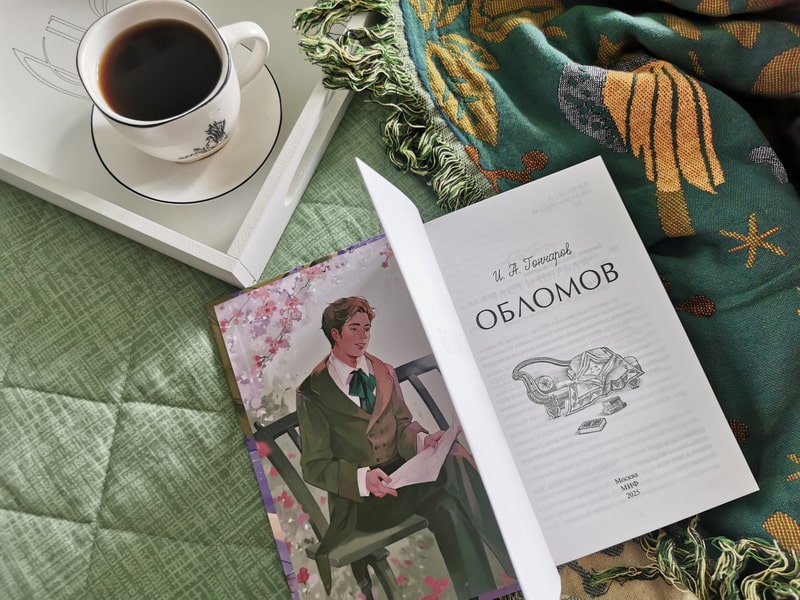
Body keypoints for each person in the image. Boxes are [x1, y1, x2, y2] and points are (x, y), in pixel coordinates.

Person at [296, 296, 514, 596]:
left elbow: (401, 427)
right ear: (335, 333)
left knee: (448, 505)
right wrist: (363, 479)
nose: (363, 336)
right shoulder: (312, 391)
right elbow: (314, 466)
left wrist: (423, 441)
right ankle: (515, 554)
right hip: (366, 502)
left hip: (406, 480)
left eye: (367, 328)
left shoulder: (383, 370)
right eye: (354, 328)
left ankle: (479, 591)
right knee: (453, 461)